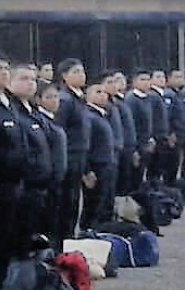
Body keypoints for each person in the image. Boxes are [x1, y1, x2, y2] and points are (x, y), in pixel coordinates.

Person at [0, 51, 32, 285]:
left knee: (9, 238)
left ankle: (4, 285)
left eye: (5, 68)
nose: (3, 72)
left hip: (17, 182)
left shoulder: (10, 102)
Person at [8, 65, 54, 259]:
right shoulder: (11, 112)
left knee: (34, 236)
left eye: (33, 80)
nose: (30, 83)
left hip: (41, 185)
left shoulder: (32, 111)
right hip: (22, 185)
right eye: (23, 78)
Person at [54, 58, 91, 249]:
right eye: (75, 72)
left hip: (80, 158)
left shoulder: (79, 98)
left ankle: (69, 241)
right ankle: (62, 243)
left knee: (75, 202)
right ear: (64, 76)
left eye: (82, 71)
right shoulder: (65, 99)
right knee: (67, 204)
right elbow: (60, 131)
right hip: (69, 158)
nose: (81, 75)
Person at [80, 80, 118, 231]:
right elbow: (85, 145)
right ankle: (88, 233)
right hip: (96, 167)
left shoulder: (102, 115)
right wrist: (87, 170)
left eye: (104, 92)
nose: (103, 96)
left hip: (107, 164)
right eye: (98, 92)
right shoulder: (88, 116)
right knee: (93, 205)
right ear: (87, 95)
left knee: (105, 203)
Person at [34, 80, 68, 242]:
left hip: (58, 180)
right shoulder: (41, 121)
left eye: (56, 96)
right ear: (39, 100)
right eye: (49, 97)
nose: (55, 101)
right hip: (47, 181)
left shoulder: (53, 120)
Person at [107, 70, 139, 194]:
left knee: (128, 183)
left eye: (122, 79)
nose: (119, 83)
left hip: (129, 147)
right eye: (116, 80)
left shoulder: (124, 101)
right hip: (120, 149)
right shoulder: (112, 104)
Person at [125, 68, 157, 183]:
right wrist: (135, 149)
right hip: (137, 145)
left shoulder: (149, 98)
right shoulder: (131, 100)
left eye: (148, 79)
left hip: (146, 143)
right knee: (134, 179)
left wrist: (150, 138)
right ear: (134, 82)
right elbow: (131, 125)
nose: (146, 82)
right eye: (142, 79)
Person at [148, 69, 175, 184]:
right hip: (156, 135)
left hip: (165, 135)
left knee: (163, 165)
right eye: (158, 77)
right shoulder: (151, 96)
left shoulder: (166, 94)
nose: (161, 79)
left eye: (163, 77)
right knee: (154, 167)